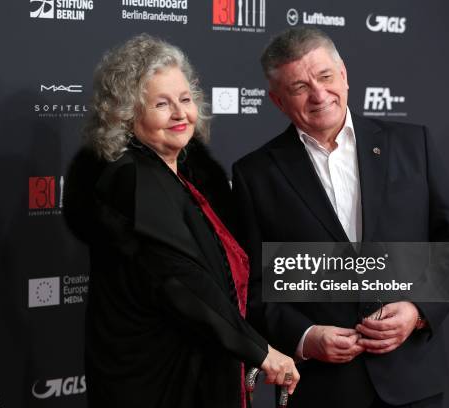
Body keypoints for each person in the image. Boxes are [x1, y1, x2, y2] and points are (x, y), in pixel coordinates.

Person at [232, 27, 449, 408]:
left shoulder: (413, 145)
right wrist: (307, 336)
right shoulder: (255, 175)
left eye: (326, 76)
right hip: (322, 388)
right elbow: (254, 287)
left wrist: (417, 310)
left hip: (412, 381)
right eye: (299, 87)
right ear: (278, 101)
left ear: (344, 74)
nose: (318, 94)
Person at [62, 34, 299, 408]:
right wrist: (259, 349)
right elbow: (179, 280)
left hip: (197, 369)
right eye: (161, 104)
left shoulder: (178, 176)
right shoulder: (132, 179)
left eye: (185, 100)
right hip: (159, 381)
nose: (180, 114)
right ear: (127, 113)